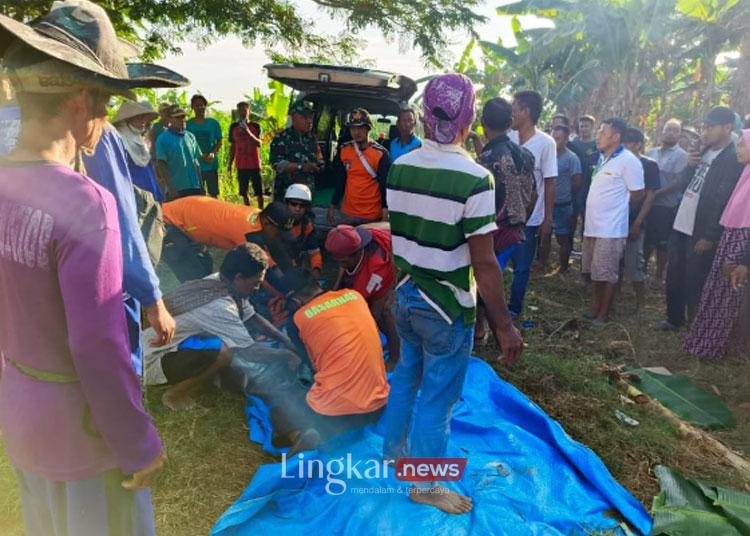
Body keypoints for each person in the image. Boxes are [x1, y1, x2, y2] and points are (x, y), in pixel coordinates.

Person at [0, 2, 169, 533]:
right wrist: (139, 442)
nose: (106, 119)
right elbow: (96, 344)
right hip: (85, 430)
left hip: (23, 414)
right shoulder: (86, 203)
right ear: (79, 101)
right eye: (105, 102)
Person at [383, 73, 523, 514]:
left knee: (407, 374)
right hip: (445, 306)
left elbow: (401, 232)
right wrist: (504, 325)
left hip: (404, 295)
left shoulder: (401, 165)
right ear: (470, 118)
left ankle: (394, 452)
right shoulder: (475, 178)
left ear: (424, 116)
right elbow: (484, 262)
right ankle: (425, 484)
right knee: (438, 398)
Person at [143, 243, 297, 410]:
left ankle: (203, 377)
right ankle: (175, 395)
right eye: (255, 282)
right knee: (225, 353)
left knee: (220, 342)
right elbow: (249, 351)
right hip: (150, 360)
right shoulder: (220, 305)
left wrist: (285, 340)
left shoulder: (220, 281)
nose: (257, 288)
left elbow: (251, 317)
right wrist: (287, 355)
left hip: (163, 343)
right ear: (239, 278)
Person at [656, 107, 744, 331]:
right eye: (703, 127)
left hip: (701, 229)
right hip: (681, 223)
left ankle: (696, 327)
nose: (705, 132)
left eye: (710, 127)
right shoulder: (703, 152)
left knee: (696, 280)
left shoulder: (732, 159)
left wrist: (710, 235)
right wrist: (689, 166)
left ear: (727, 128)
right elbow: (684, 184)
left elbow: (722, 200)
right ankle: (674, 319)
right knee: (675, 274)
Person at [284, 269, 390, 448]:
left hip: (334, 414)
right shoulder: (354, 295)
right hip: (378, 405)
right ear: (318, 285)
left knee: (283, 396)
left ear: (296, 301)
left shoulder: (297, 320)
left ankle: (300, 434)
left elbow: (313, 367)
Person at [683, 129, 750, 358]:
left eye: (742, 145)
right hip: (730, 240)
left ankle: (721, 347)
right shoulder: (745, 175)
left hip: (741, 246)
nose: (738, 150)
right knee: (717, 293)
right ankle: (706, 342)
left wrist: (744, 260)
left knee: (729, 297)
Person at [473, 97, 535, 341]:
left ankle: (491, 331)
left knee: (484, 279)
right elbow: (533, 193)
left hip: (494, 229)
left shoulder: (484, 163)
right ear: (510, 122)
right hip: (519, 227)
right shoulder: (526, 155)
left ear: (483, 123)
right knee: (511, 276)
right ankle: (491, 328)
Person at [583, 118, 645, 326]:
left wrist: (618, 210)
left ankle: (603, 315)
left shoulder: (629, 161)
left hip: (610, 228)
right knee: (595, 271)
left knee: (608, 274)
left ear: (616, 137)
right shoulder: (603, 158)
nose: (598, 136)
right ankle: (595, 307)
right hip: (593, 225)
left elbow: (638, 193)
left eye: (602, 132)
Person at [508, 90, 557, 317]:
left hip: (530, 217)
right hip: (505, 215)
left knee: (522, 268)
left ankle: (514, 309)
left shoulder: (546, 143)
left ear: (526, 112)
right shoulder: (507, 138)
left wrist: (547, 218)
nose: (511, 113)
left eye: (514, 108)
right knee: (498, 263)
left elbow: (549, 182)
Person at [326, 225, 399, 369]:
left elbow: (373, 313)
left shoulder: (376, 270)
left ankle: (396, 356)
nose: (341, 265)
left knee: (385, 311)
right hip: (388, 258)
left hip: (399, 273)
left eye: (344, 262)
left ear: (357, 253)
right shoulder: (352, 235)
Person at [328, 108, 391, 226]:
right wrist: (332, 205)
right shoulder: (344, 150)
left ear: (368, 129)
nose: (356, 132)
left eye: (360, 128)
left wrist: (385, 212)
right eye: (353, 128)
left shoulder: (381, 154)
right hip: (348, 214)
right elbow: (340, 180)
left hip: (372, 215)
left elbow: (384, 186)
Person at [645, 119, 688, 287]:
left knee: (662, 243)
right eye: (668, 129)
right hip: (648, 204)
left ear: (679, 135)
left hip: (666, 205)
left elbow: (677, 182)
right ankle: (642, 271)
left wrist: (655, 194)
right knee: (647, 239)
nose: (671, 133)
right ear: (661, 131)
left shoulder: (682, 156)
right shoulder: (651, 152)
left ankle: (659, 276)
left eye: (675, 130)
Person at [621, 127, 660, 309]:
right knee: (616, 262)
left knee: (634, 263)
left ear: (638, 144)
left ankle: (641, 302)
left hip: (635, 220)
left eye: (628, 142)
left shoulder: (649, 165)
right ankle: (614, 296)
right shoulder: (616, 161)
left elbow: (650, 196)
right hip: (615, 221)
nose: (624, 145)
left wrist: (637, 223)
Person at [542, 124, 581, 273]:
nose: (554, 140)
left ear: (566, 139)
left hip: (563, 205)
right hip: (546, 203)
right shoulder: (547, 155)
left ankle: (563, 267)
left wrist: (563, 191)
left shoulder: (572, 158)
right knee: (544, 236)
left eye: (558, 138)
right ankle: (542, 264)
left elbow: (577, 182)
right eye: (552, 137)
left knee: (562, 238)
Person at [112, 100, 164, 201]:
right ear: (127, 120)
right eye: (139, 118)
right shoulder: (118, 141)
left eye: (144, 118)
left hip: (150, 195)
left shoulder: (140, 140)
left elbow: (149, 171)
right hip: (133, 197)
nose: (143, 121)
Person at [270, 100, 322, 195]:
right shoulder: (282, 138)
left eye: (311, 117)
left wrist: (318, 166)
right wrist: (301, 167)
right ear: (293, 117)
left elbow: (319, 159)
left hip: (307, 192)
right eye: (304, 117)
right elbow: (278, 164)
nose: (309, 121)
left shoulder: (312, 139)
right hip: (286, 192)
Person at [156, 104, 204, 198]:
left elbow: (196, 162)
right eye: (177, 117)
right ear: (169, 119)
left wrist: (201, 185)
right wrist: (171, 188)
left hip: (194, 186)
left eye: (183, 117)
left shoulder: (190, 136)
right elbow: (161, 164)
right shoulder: (163, 139)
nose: (182, 120)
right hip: (177, 189)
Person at [228, 101, 263, 207]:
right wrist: (229, 164)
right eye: (240, 111)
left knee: (259, 192)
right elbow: (233, 146)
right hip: (241, 164)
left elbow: (259, 143)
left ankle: (261, 211)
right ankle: (248, 210)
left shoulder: (256, 126)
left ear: (249, 111)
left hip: (254, 164)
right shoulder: (233, 127)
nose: (242, 113)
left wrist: (247, 131)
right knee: (244, 191)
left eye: (244, 110)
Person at [569, 115, 598, 240]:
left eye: (586, 126)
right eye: (581, 126)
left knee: (588, 218)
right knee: (572, 218)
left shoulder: (597, 145)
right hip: (574, 186)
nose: (583, 129)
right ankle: (569, 245)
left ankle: (584, 246)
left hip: (590, 187)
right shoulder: (572, 144)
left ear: (592, 127)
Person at [187, 94, 223, 197]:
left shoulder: (213, 123)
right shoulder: (188, 124)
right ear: (192, 107)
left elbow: (219, 141)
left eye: (202, 105)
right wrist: (201, 156)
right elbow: (187, 144)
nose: (200, 107)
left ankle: (215, 213)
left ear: (205, 106)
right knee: (198, 195)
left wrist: (213, 153)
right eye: (197, 105)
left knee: (213, 194)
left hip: (211, 164)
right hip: (195, 165)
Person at [284, 184, 323, 279]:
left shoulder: (307, 227)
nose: (297, 209)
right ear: (287, 204)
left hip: (294, 268)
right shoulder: (275, 224)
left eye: (302, 205)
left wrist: (316, 269)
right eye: (293, 204)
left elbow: (314, 252)